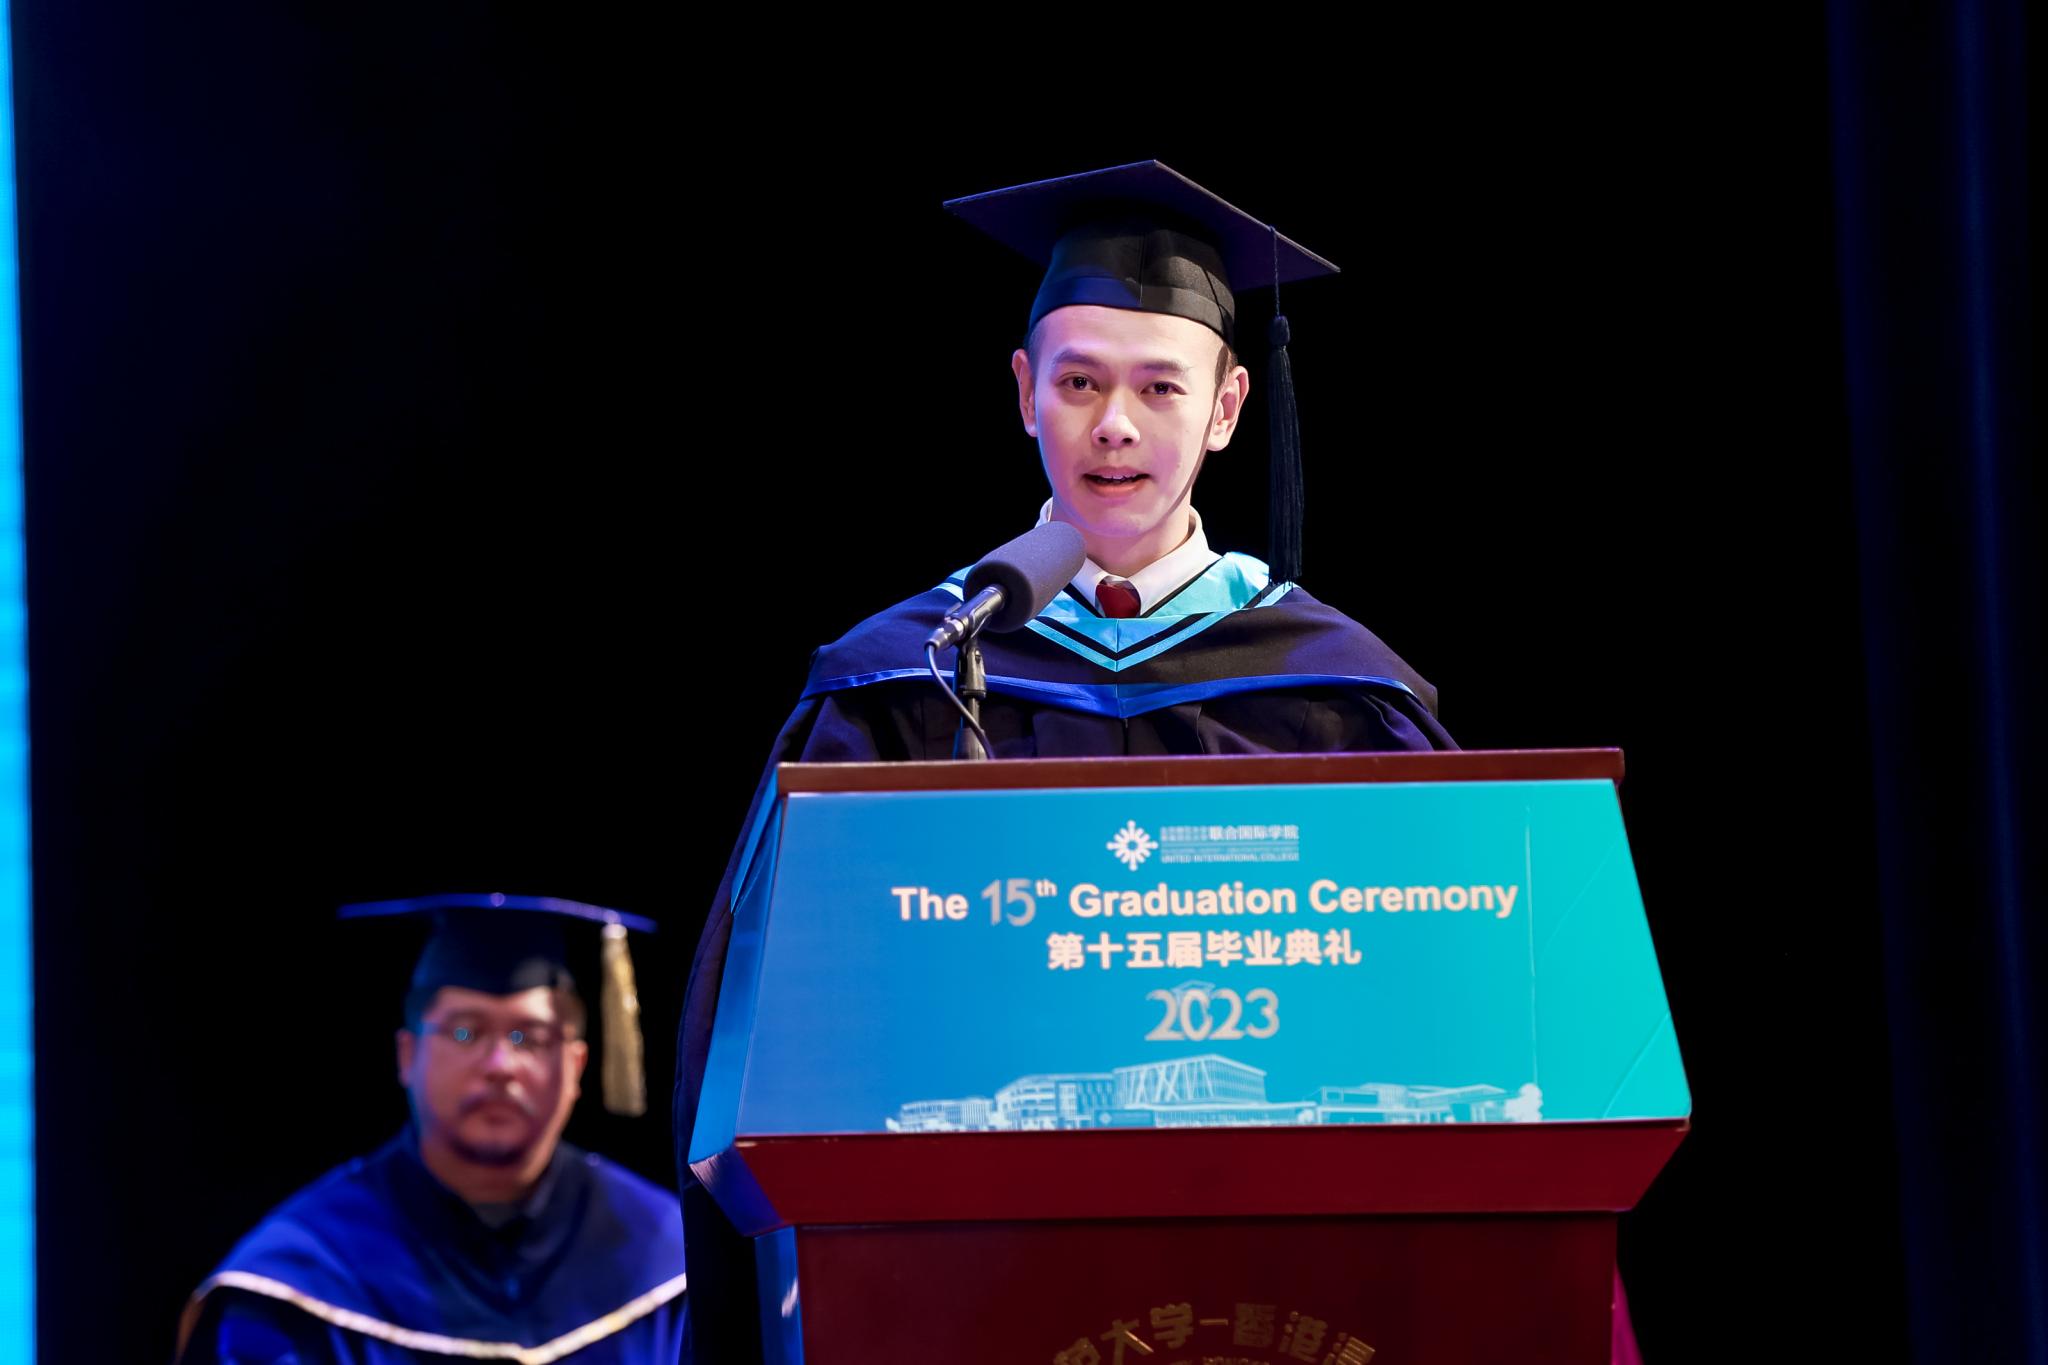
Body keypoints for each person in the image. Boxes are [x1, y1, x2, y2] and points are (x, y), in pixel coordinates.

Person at [676, 160, 1469, 1363]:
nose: (1113, 425)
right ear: (1022, 391)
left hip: (1273, 1259)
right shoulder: (896, 682)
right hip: (952, 1268)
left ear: (1226, 407)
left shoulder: (1337, 690)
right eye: (1079, 381)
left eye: (1159, 387)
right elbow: (774, 1022)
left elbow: (1439, 1001)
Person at [178, 894, 688, 1365]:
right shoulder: (300, 1276)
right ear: (407, 1055)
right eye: (465, 1031)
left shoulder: (665, 1261)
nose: (499, 1065)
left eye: (528, 1037)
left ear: (576, 1066)